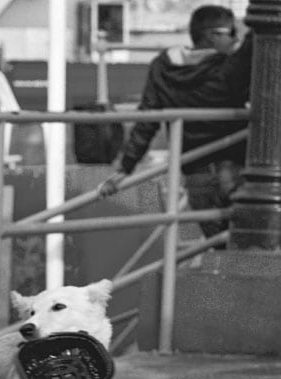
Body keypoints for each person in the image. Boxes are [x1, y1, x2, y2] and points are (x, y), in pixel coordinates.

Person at [98, 5, 252, 242]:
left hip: (194, 172)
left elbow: (147, 121)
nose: (234, 39)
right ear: (212, 35)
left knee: (219, 247)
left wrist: (125, 167)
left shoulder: (163, 66)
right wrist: (246, 34)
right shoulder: (230, 68)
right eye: (230, 32)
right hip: (235, 168)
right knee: (247, 244)